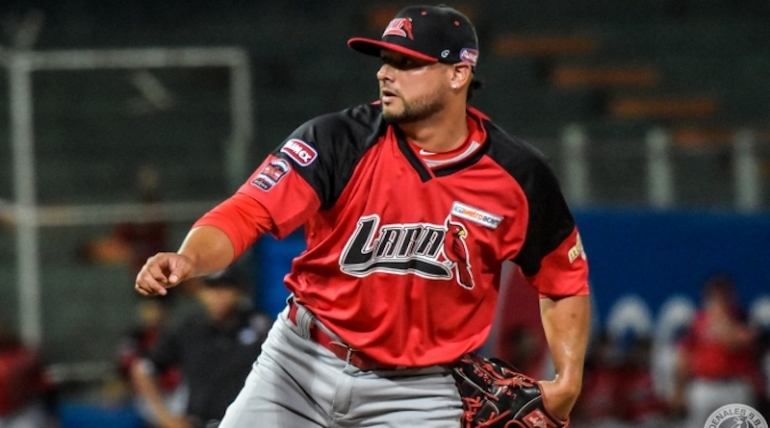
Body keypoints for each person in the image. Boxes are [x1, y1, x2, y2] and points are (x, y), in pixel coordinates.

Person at [134, 5, 591, 427]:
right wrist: (191, 257)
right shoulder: (338, 140)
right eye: (384, 60)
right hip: (301, 364)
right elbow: (249, 210)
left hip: (420, 392)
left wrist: (568, 379)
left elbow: (563, 280)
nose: (385, 73)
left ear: (458, 74)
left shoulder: (518, 175)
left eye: (407, 63)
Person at [130, 266, 271, 428]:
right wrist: (164, 417)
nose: (217, 295)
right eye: (211, 288)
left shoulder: (261, 328)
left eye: (225, 288)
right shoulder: (189, 330)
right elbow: (143, 368)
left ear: (239, 292)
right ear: (201, 293)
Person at [672, 274, 762, 428]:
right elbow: (684, 356)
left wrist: (719, 317)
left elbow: (733, 343)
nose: (719, 298)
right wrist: (679, 391)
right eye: (714, 294)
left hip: (735, 386)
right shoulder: (696, 320)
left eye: (723, 293)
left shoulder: (743, 316)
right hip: (704, 386)